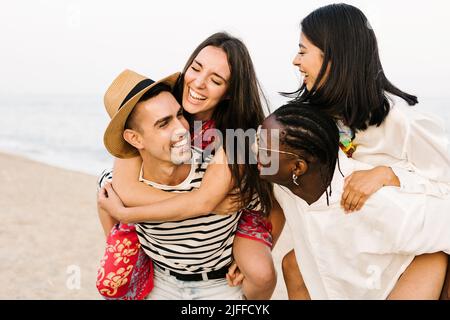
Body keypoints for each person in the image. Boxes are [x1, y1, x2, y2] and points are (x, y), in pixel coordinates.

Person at [98, 32, 285, 300]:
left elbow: (275, 203)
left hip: (236, 225)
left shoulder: (239, 135)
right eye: (196, 68)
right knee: (105, 188)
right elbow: (126, 189)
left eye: (216, 80)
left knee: (260, 271)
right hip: (169, 254)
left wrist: (262, 245)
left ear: (230, 92)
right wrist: (200, 204)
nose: (198, 82)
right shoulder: (156, 105)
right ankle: (132, 250)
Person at [281, 3, 450, 299]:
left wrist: (389, 174)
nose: (295, 61)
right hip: (347, 259)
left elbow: (445, 180)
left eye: (303, 50)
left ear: (333, 57)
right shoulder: (312, 121)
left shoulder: (399, 120)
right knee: (293, 265)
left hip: (399, 261)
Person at [256, 102, 450, 299]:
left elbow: (444, 220)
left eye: (264, 149)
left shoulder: (373, 202)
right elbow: (234, 148)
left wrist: (391, 174)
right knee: (292, 265)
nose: (256, 151)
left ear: (297, 168)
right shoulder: (288, 186)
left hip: (394, 285)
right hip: (336, 287)